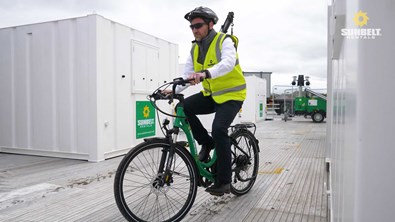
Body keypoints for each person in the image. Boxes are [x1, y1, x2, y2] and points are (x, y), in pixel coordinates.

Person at [174, 6, 247, 196]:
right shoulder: (194, 49)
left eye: (198, 25)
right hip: (212, 96)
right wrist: (171, 90)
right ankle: (206, 143)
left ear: (210, 24)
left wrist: (206, 73)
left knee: (219, 129)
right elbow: (188, 77)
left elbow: (228, 63)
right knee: (183, 107)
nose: (195, 30)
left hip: (232, 96)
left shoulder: (225, 41)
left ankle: (224, 181)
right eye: (192, 27)